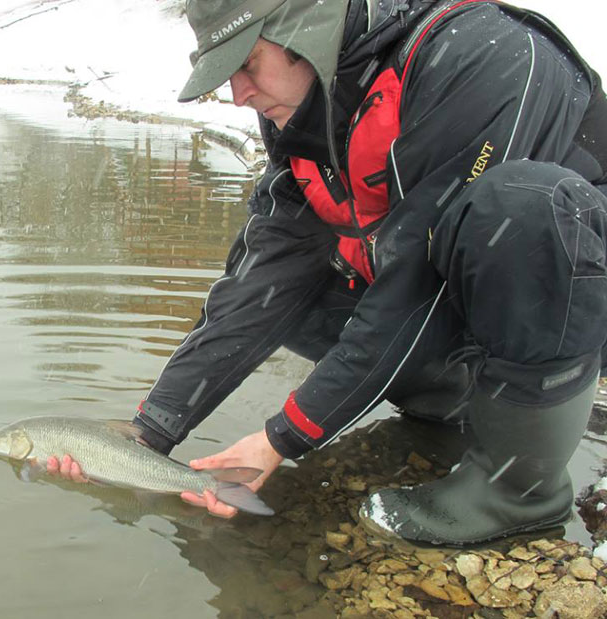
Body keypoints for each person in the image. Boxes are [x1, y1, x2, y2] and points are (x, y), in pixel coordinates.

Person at [50, 0, 607, 546]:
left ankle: (519, 490)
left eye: (247, 64)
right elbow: (262, 279)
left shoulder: (480, 55)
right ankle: (451, 405)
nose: (238, 95)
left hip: (572, 301)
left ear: (305, 32)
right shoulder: (305, 117)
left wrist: (282, 436)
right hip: (457, 310)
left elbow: (418, 281)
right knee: (287, 293)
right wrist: (152, 430)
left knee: (517, 208)